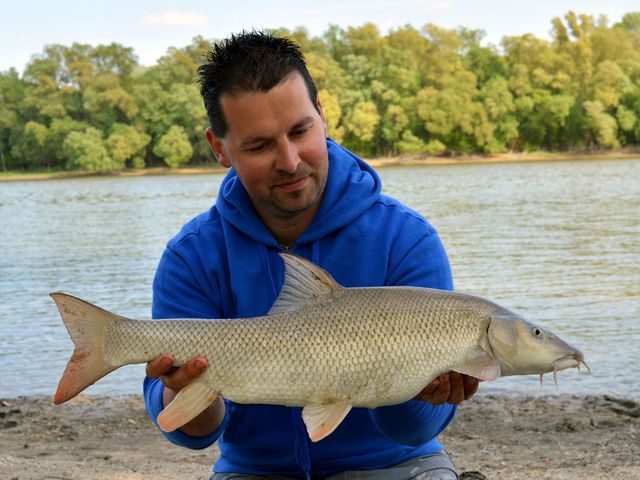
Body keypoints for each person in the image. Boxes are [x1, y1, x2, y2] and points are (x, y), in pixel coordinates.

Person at [143, 31, 479, 479]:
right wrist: (185, 393)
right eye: (260, 145)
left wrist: (423, 393)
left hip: (397, 463)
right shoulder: (192, 255)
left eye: (301, 131)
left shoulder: (406, 238)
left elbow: (414, 433)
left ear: (322, 116)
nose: (289, 160)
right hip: (254, 470)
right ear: (219, 147)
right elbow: (192, 433)